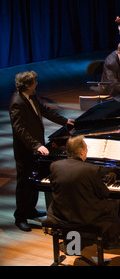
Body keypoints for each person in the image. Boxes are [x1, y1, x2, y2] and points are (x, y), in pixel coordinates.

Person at [9, 71, 75, 231]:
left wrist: (65, 121)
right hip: (25, 149)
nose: (36, 84)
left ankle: (30, 210)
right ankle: (20, 217)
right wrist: (36, 145)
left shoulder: (30, 96)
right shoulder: (17, 102)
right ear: (27, 85)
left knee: (35, 178)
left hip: (35, 146)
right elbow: (20, 129)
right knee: (24, 183)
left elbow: (45, 110)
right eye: (34, 82)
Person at [46, 135, 120, 250]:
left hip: (60, 215)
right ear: (81, 152)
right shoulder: (90, 169)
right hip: (84, 218)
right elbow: (104, 194)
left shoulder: (54, 166)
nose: (87, 151)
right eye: (86, 149)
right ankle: (111, 241)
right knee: (111, 202)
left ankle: (70, 243)